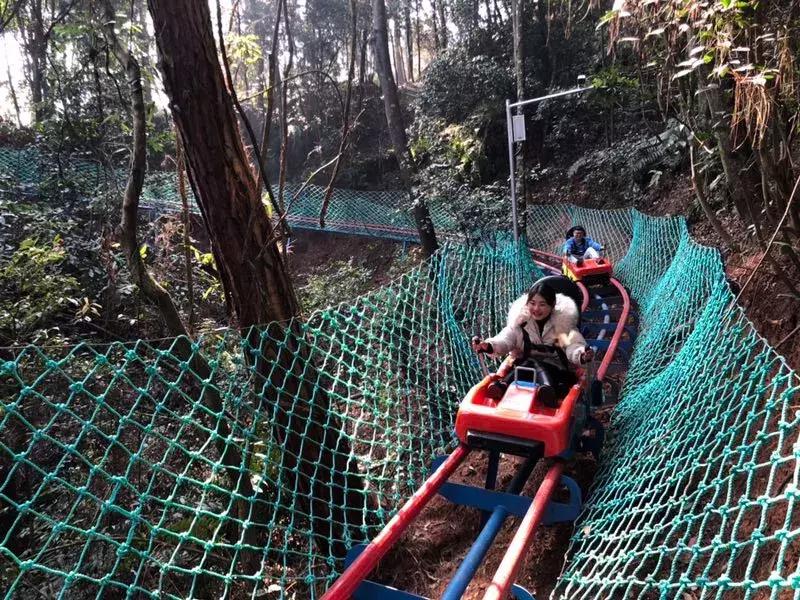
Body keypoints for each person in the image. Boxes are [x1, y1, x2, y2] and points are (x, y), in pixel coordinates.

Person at [471, 281, 593, 407]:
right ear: (527, 303)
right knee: (529, 363)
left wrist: (581, 354)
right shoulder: (521, 324)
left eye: (542, 304)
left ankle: (505, 385)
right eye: (532, 303)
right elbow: (505, 339)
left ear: (552, 305)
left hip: (556, 372)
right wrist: (489, 345)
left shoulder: (561, 327)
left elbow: (572, 346)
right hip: (525, 373)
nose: (536, 309)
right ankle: (545, 389)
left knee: (532, 363)